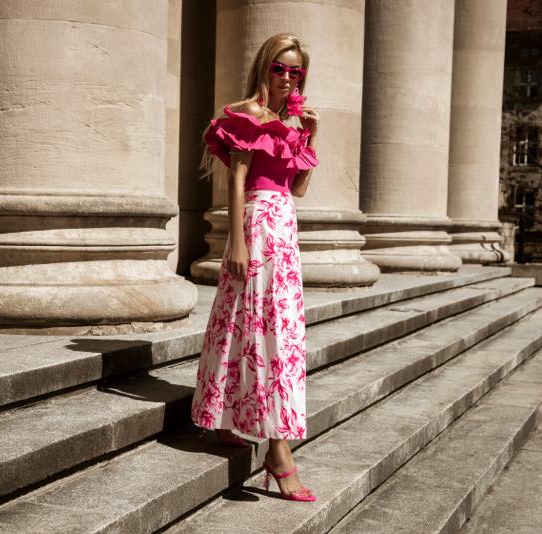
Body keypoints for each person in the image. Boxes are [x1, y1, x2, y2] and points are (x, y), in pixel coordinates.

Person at [190, 33, 320, 502]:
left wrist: (310, 133)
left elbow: (300, 187)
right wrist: (237, 242)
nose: (287, 78)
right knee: (257, 326)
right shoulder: (245, 115)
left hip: (285, 229)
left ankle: (227, 420)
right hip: (258, 226)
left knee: (267, 327)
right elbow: (238, 179)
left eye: (296, 72)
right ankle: (278, 451)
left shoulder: (289, 125)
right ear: (265, 65)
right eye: (280, 68)